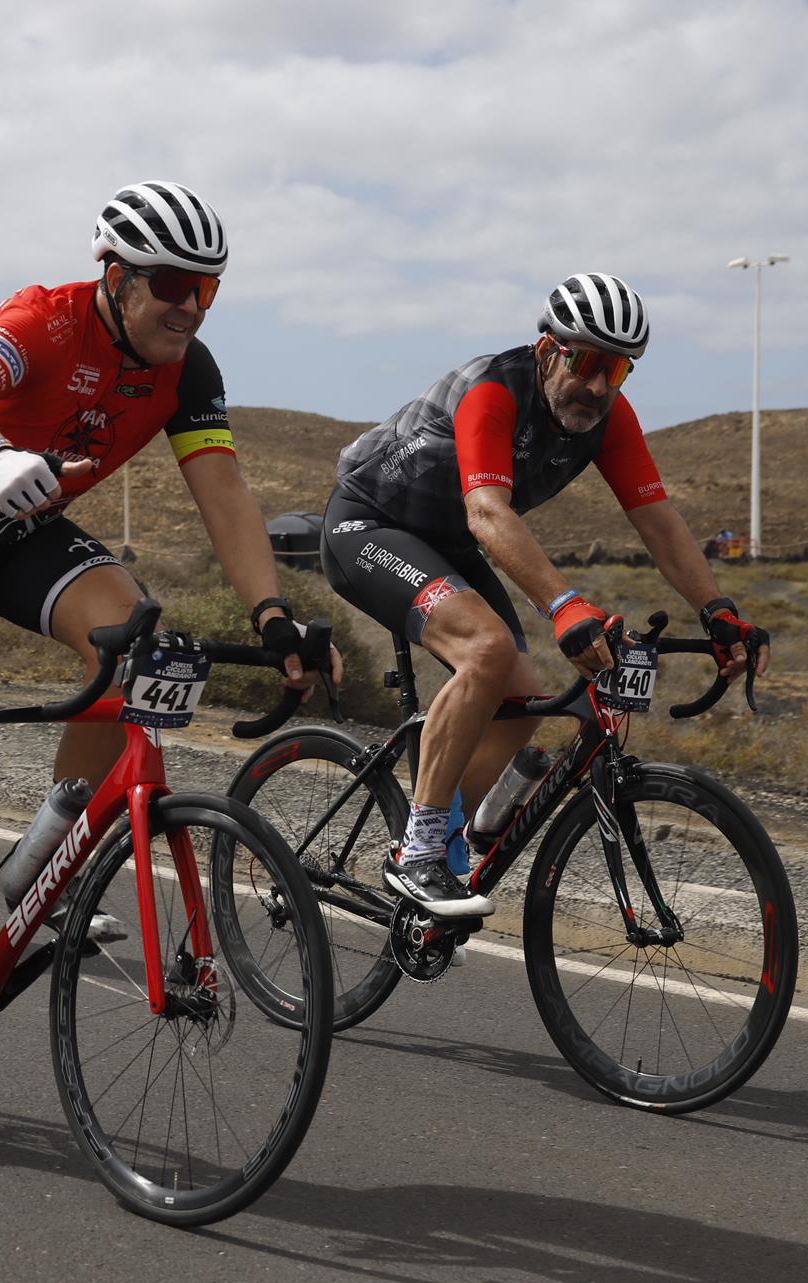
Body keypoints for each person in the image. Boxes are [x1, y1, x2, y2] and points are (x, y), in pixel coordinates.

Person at [0, 181, 342, 1069]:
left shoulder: (187, 370)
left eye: (207, 289)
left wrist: (271, 614)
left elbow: (223, 494)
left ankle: (44, 862)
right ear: (115, 277)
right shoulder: (42, 320)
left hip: (15, 529)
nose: (190, 307)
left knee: (146, 650)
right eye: (172, 285)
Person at [320, 273, 769, 920]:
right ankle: (416, 853)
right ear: (545, 349)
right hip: (369, 527)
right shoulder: (493, 390)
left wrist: (717, 611)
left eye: (616, 369)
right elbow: (488, 513)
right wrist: (564, 606)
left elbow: (657, 522)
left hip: (448, 541)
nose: (597, 385)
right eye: (585, 362)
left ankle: (451, 837)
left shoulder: (609, 418)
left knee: (520, 695)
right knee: (486, 649)